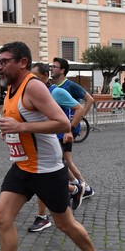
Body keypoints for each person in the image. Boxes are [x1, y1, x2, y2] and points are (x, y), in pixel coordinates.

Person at [0, 42, 111, 251]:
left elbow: (62, 123)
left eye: (5, 61)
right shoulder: (11, 89)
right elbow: (22, 121)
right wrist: (11, 132)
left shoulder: (34, 86)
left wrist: (20, 129)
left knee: (65, 223)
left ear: (23, 62)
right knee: (2, 217)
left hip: (47, 169)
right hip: (22, 165)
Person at [27, 62, 90, 233]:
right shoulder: (32, 93)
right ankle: (75, 188)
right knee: (53, 172)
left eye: (35, 78)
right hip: (42, 141)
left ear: (45, 77)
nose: (31, 81)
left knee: (44, 175)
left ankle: (43, 216)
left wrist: (70, 129)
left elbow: (79, 108)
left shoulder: (58, 92)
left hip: (58, 137)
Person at [50, 57, 94, 200]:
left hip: (68, 129)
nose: (51, 68)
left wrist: (78, 117)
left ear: (62, 70)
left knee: (63, 159)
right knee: (64, 159)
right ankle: (81, 187)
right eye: (51, 66)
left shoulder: (70, 85)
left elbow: (90, 100)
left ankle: (82, 187)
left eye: (54, 66)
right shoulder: (53, 87)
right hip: (59, 129)